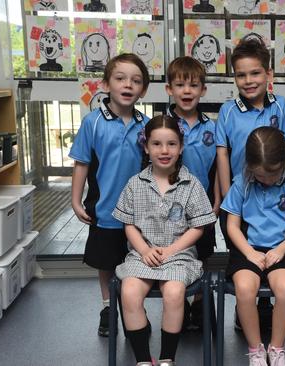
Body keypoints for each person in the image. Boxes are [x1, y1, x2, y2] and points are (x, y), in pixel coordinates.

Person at [113, 115, 217, 366]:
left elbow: (198, 227)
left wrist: (171, 250)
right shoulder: (134, 184)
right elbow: (128, 225)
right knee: (129, 292)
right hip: (142, 254)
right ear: (146, 147)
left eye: (171, 144)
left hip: (179, 255)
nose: (164, 150)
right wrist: (144, 250)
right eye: (157, 144)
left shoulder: (191, 184)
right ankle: (143, 361)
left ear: (181, 147)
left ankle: (167, 358)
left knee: (174, 293)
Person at [215, 38, 285, 327]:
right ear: (235, 77)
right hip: (240, 198)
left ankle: (267, 303)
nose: (248, 80)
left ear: (269, 75)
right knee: (246, 257)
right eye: (241, 75)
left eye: (255, 73)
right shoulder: (228, 111)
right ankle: (245, 307)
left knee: (273, 250)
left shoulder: (282, 106)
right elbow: (222, 154)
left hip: (275, 196)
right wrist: (228, 197)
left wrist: (282, 186)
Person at [69, 53, 150, 337]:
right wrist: (75, 200)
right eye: (120, 78)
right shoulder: (92, 122)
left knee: (135, 261)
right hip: (104, 210)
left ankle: (134, 307)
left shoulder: (146, 124)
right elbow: (81, 163)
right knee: (106, 263)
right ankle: (108, 306)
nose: (128, 85)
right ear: (106, 84)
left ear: (143, 89)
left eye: (136, 80)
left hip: (139, 213)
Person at [221, 127, 285, 366]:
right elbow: (232, 226)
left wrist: (280, 250)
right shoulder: (241, 184)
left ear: (284, 161)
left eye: (272, 174)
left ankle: (276, 348)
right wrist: (250, 253)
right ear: (250, 166)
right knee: (244, 289)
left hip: (282, 249)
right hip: (247, 249)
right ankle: (256, 350)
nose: (267, 180)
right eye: (260, 175)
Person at [165, 55, 220, 330]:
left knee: (203, 252)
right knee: (177, 252)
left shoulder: (212, 127)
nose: (187, 91)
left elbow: (219, 168)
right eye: (180, 85)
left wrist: (219, 199)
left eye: (193, 85)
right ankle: (179, 304)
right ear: (169, 90)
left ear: (203, 90)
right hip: (171, 207)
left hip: (204, 205)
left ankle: (200, 301)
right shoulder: (163, 127)